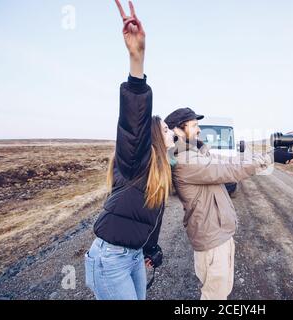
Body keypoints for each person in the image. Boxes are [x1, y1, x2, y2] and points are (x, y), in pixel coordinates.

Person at [84, 0, 175, 300]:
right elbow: (133, 124)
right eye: (165, 129)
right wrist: (137, 62)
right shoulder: (137, 159)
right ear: (153, 139)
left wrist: (150, 248)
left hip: (133, 256)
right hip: (111, 259)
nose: (171, 132)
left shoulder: (159, 170)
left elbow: (148, 215)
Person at [164, 108, 272, 300]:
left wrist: (269, 153)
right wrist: (270, 159)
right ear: (178, 131)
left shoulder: (196, 153)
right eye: (194, 126)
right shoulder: (185, 160)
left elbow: (231, 160)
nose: (199, 130)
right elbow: (230, 169)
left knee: (221, 291)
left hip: (219, 234)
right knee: (214, 296)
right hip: (211, 238)